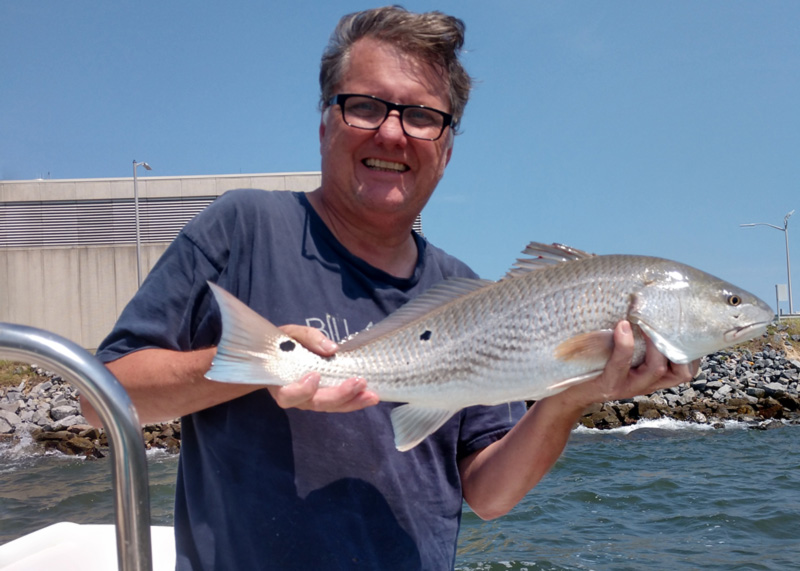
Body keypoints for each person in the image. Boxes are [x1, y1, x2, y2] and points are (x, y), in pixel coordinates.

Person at [81, 6, 697, 570]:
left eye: (423, 116)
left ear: (447, 149)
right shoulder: (242, 228)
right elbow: (101, 400)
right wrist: (257, 367)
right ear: (326, 122)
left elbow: (488, 493)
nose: (393, 134)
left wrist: (567, 399)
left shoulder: (468, 290)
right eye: (367, 107)